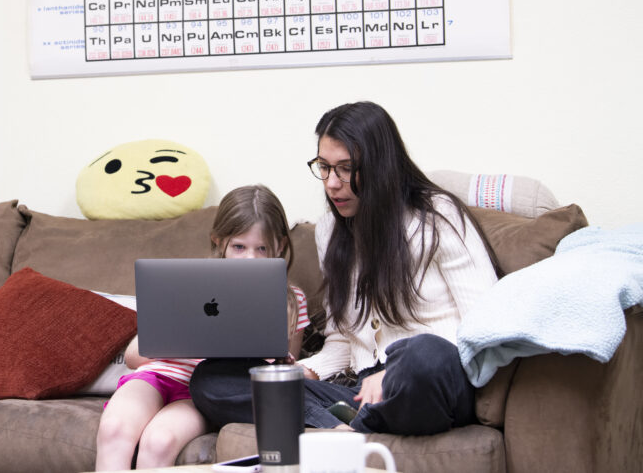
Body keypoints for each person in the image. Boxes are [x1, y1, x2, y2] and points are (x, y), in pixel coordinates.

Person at [190, 102, 498, 436]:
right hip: (364, 392)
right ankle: (342, 425)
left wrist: (396, 371)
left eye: (346, 169)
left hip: (432, 379)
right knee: (212, 379)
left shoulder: (438, 216)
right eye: (324, 167)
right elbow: (343, 339)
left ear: (381, 166)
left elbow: (485, 323)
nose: (332, 183)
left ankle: (349, 424)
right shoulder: (330, 232)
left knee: (423, 355)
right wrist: (306, 370)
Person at [94, 185, 309, 470]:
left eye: (262, 249)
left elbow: (283, 374)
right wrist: (192, 340)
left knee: (159, 441)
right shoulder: (189, 283)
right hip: (155, 377)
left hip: (203, 394)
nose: (250, 259)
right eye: (239, 247)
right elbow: (134, 357)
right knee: (114, 430)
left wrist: (280, 362)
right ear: (219, 242)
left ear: (280, 246)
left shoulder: (291, 301)